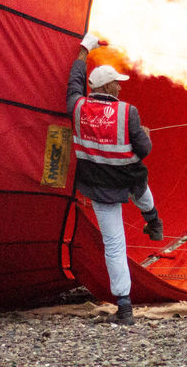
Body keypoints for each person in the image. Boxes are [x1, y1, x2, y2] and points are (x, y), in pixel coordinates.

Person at [68, 33, 165, 326]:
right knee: (140, 185)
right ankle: (154, 219)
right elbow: (144, 151)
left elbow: (74, 82)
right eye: (117, 83)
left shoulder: (76, 107)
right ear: (107, 86)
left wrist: (84, 50)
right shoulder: (128, 113)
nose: (120, 87)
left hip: (99, 186)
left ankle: (124, 308)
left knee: (114, 245)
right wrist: (145, 136)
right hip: (128, 177)